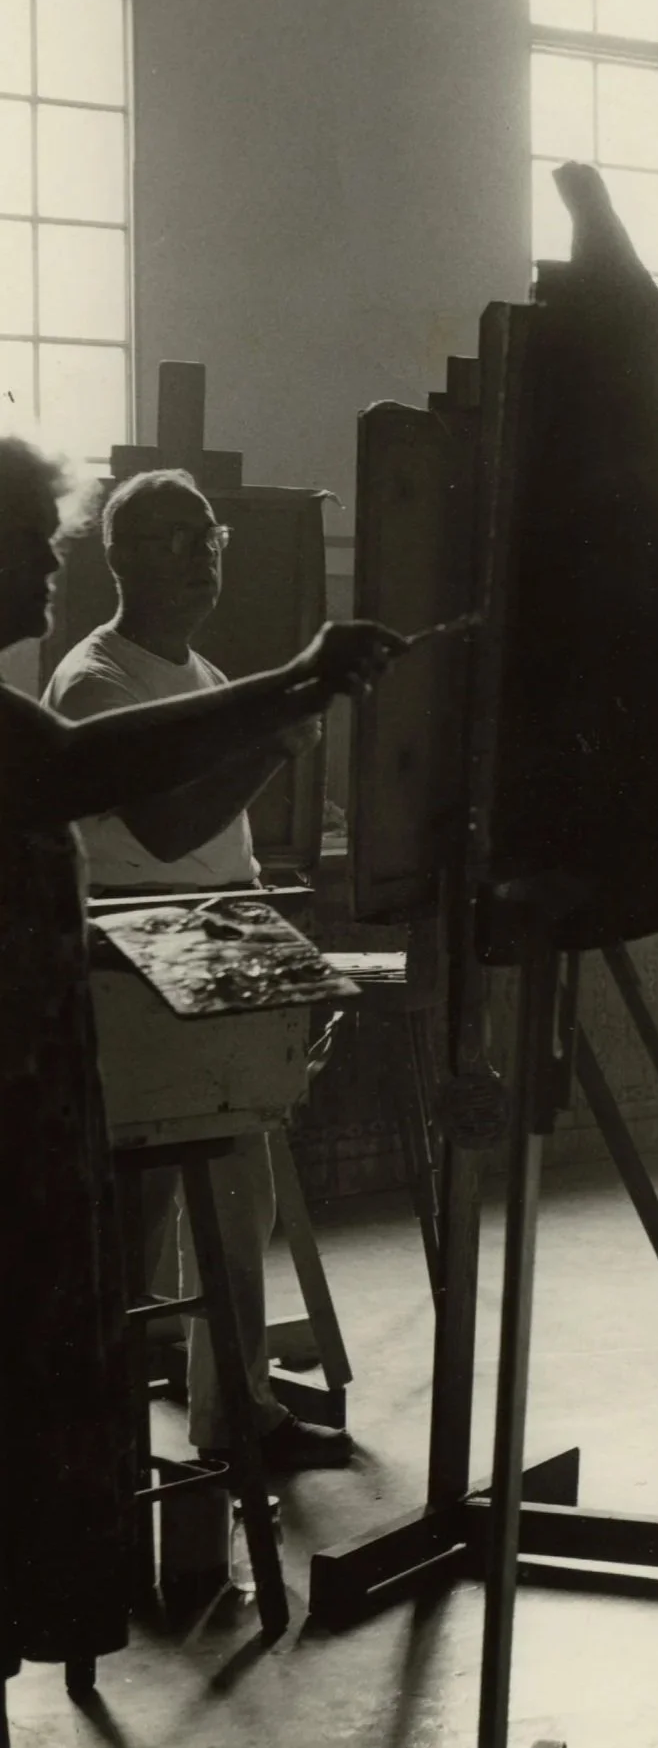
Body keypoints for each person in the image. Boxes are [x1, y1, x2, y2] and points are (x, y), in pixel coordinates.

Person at [0, 434, 401, 1697]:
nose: (44, 565)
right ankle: (119, 1478)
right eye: (29, 542)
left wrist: (279, 702)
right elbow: (123, 790)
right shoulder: (88, 679)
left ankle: (219, 1420)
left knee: (203, 1225)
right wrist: (292, 694)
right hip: (115, 990)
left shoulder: (162, 671)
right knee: (99, 1285)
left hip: (154, 983)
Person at [43, 468, 352, 1471]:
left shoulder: (206, 676)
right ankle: (113, 1441)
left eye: (208, 534)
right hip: (134, 956)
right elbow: (170, 830)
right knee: (136, 1228)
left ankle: (234, 1412)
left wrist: (278, 961)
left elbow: (220, 848)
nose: (201, 554)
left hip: (212, 941)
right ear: (119, 557)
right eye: (173, 538)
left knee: (238, 1198)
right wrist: (273, 749)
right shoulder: (100, 679)